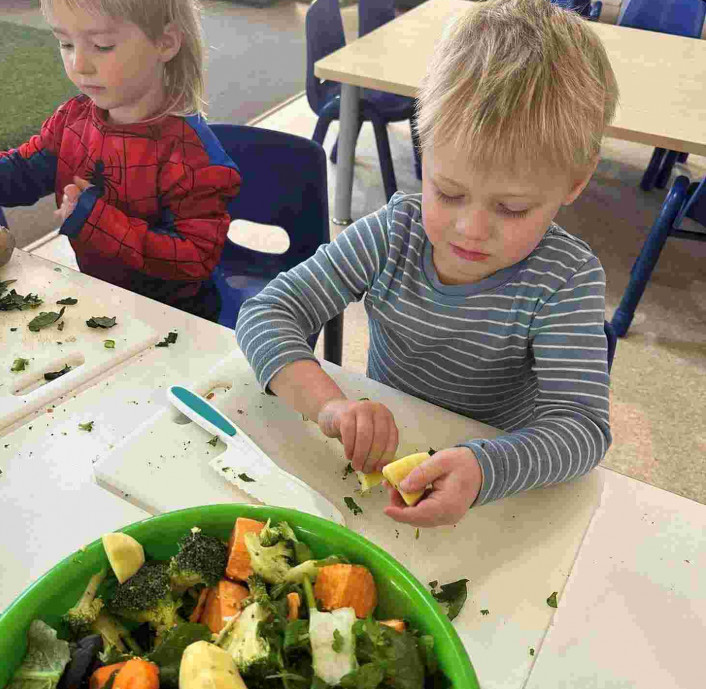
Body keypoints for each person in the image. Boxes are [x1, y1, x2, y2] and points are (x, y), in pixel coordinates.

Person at [236, 0, 618, 528]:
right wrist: (331, 406)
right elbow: (266, 313)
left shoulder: (565, 280)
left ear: (575, 182)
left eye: (512, 207)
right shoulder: (395, 232)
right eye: (449, 191)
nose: (471, 229)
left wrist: (486, 467)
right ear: (424, 148)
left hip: (493, 483)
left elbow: (580, 427)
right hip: (381, 456)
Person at [0, 0, 241, 321]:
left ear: (165, 43)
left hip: (178, 317)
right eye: (65, 43)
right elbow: (24, 170)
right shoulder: (72, 120)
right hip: (103, 300)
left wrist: (94, 218)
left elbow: (194, 259)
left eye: (102, 46)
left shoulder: (193, 158)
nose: (79, 64)